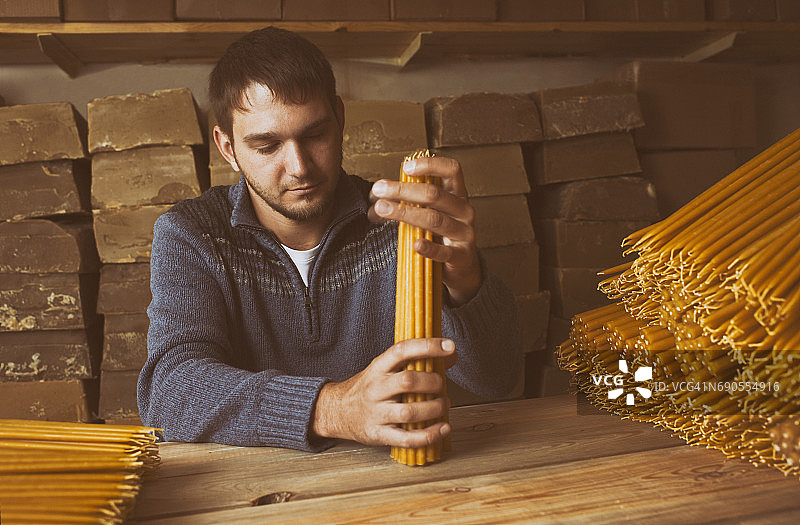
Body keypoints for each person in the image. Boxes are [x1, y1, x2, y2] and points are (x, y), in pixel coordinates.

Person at [137, 26, 521, 452]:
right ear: (227, 147)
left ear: (339, 118)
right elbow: (169, 393)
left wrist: (467, 282)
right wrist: (333, 408)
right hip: (254, 493)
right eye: (267, 146)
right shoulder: (192, 234)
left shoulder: (403, 224)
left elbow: (498, 380)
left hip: (396, 485)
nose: (299, 166)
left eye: (315, 135)